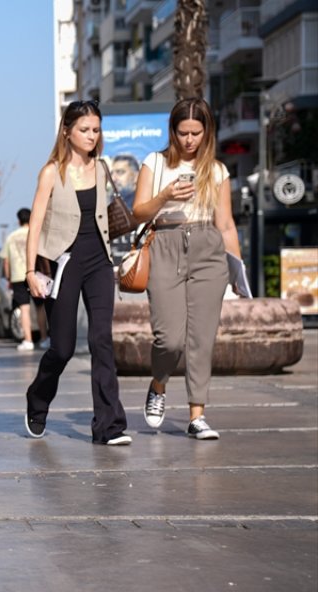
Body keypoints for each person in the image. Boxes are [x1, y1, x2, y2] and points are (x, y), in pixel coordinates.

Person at [131, 98, 243, 441]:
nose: (190, 140)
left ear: (206, 132)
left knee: (202, 338)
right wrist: (165, 195)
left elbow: (225, 223)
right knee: (170, 339)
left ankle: (197, 414)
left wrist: (238, 273)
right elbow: (138, 212)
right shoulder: (155, 162)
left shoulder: (218, 170)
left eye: (196, 132)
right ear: (173, 131)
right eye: (183, 133)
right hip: (165, 243)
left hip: (208, 249)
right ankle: (159, 383)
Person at [24, 99, 131, 446]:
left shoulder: (101, 168)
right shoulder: (51, 172)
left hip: (99, 261)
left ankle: (109, 425)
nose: (91, 136)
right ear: (67, 132)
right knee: (63, 348)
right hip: (63, 264)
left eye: (96, 130)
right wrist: (29, 271)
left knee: (102, 340)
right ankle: (37, 401)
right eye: (84, 130)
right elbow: (36, 224)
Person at [0, 207, 49, 351]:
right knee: (40, 307)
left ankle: (28, 340)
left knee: (24, 309)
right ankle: (45, 338)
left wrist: (8, 277)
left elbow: (6, 261)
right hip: (36, 274)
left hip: (17, 276)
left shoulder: (11, 237)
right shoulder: (36, 233)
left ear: (18, 220)